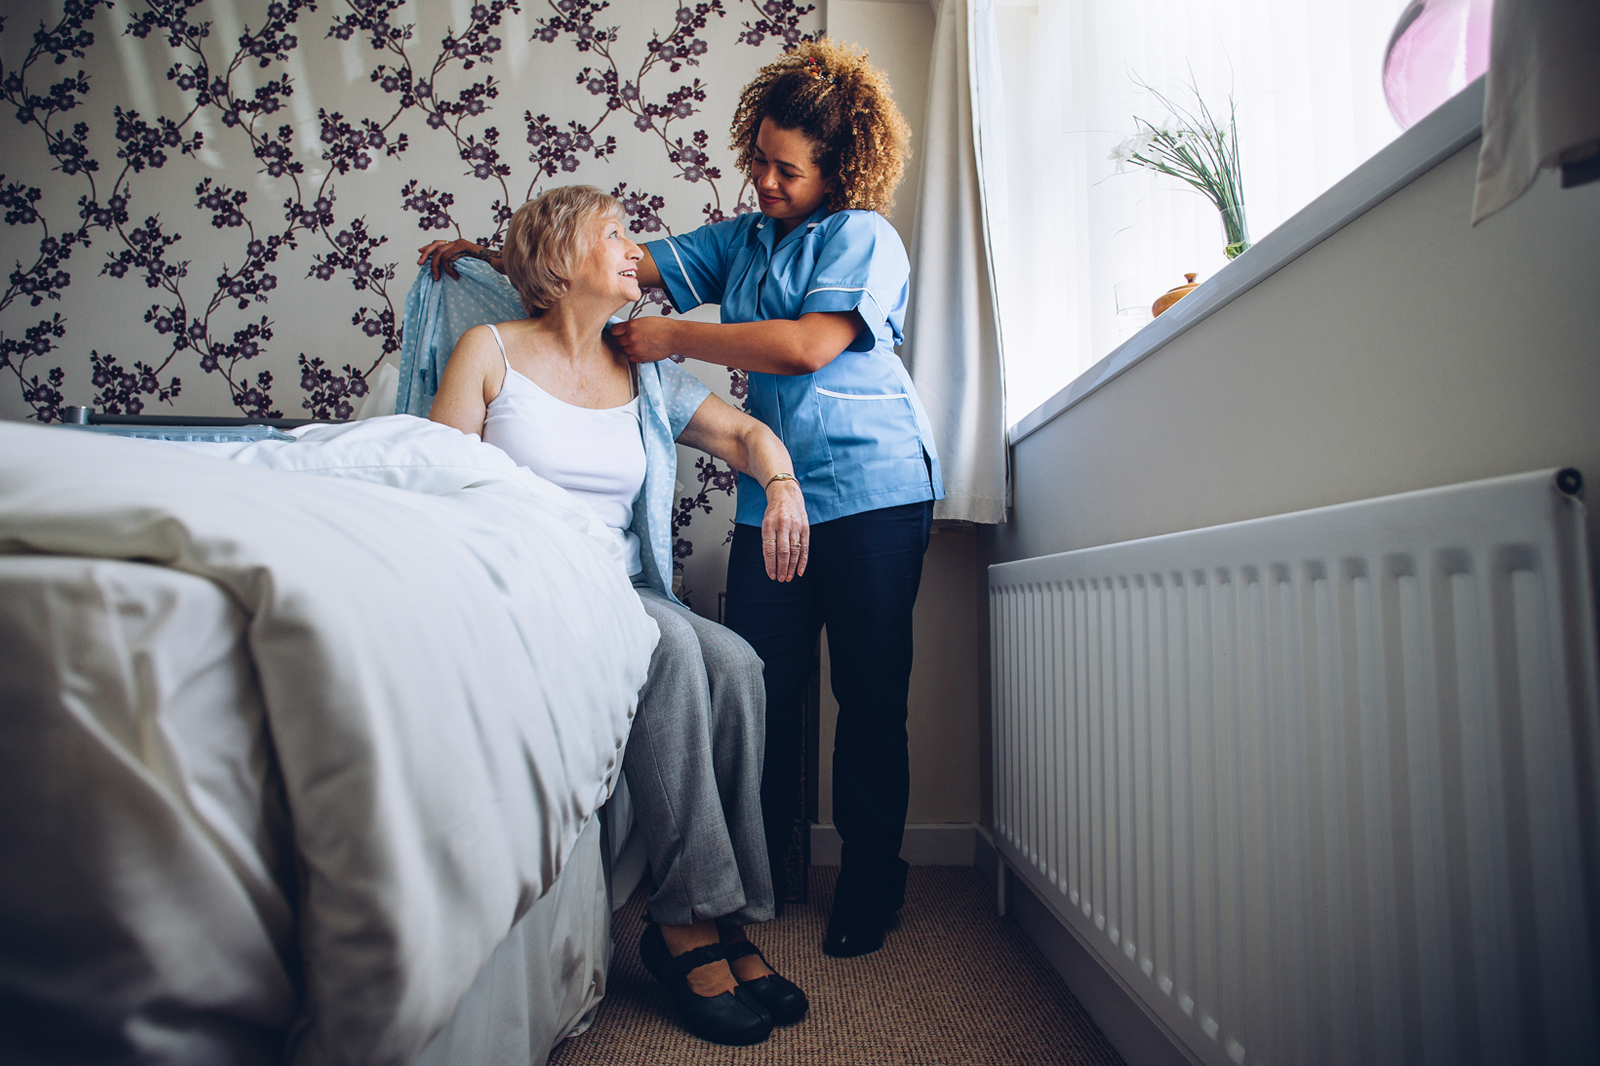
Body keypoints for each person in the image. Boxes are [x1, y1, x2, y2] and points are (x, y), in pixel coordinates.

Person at [419, 38, 942, 960]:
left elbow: (810, 347)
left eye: (787, 169)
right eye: (760, 160)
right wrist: (486, 257)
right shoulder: (737, 242)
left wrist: (677, 339)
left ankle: (870, 881)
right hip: (766, 500)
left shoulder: (866, 238)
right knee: (760, 680)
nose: (765, 181)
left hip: (870, 487)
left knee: (867, 691)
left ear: (836, 169)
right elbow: (591, 266)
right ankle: (761, 877)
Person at [422, 185, 809, 1047]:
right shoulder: (488, 351)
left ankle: (732, 917)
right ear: (560, 260)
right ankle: (682, 924)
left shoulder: (645, 374)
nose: (637, 249)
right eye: (616, 234)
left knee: (738, 663)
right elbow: (439, 487)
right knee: (669, 648)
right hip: (531, 590)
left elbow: (747, 437)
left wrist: (780, 484)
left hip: (622, 590)